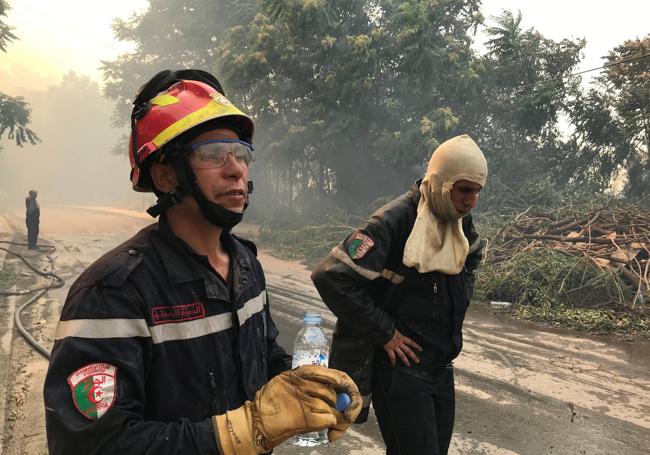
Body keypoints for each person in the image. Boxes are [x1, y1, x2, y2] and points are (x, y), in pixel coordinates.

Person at [43, 69, 361, 455]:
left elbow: (262, 357)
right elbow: (92, 445)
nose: (235, 169)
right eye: (212, 155)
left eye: (241, 154)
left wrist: (305, 385)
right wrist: (243, 431)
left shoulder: (246, 266)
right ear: (164, 176)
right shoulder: (113, 292)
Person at [311, 134, 487, 455]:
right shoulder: (394, 221)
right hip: (402, 374)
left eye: (477, 191)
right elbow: (331, 277)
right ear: (442, 182)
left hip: (442, 369)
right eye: (464, 189)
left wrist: (462, 290)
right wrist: (386, 332)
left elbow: (472, 255)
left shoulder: (459, 220)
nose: (471, 201)